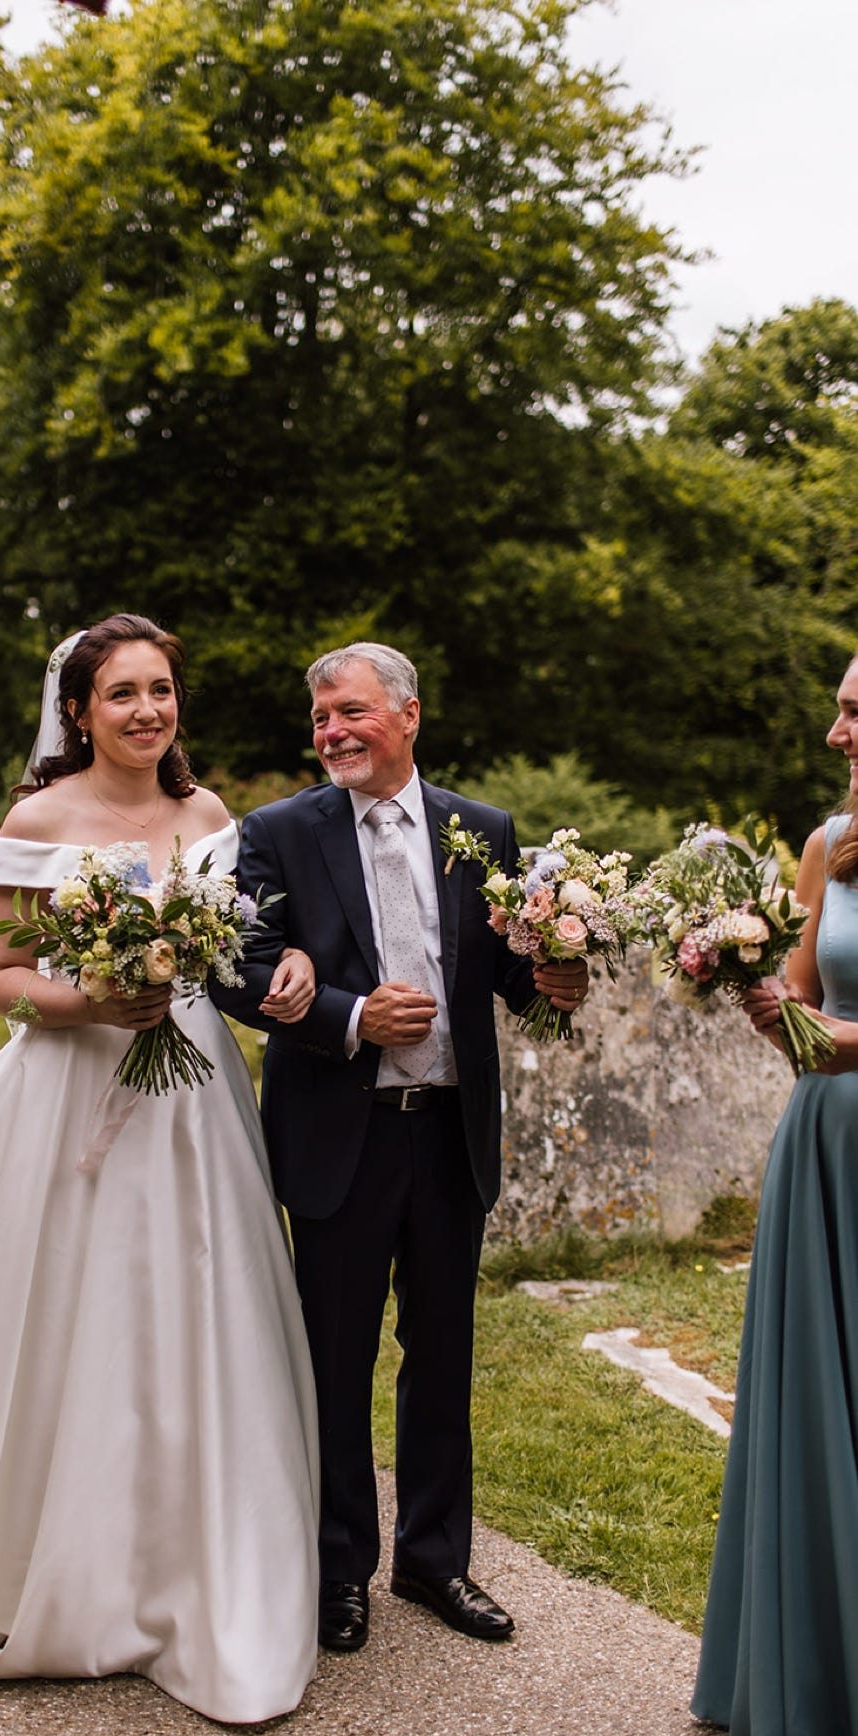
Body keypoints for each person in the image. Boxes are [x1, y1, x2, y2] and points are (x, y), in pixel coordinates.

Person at [0, 614, 321, 1724]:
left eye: (160, 690)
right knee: (78, 1308)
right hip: (72, 1094)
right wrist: (91, 1001)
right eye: (121, 693)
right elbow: (1, 976)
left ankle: (192, 1568)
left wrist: (294, 960)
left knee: (196, 1307)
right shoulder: (38, 820)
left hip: (194, 1097)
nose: (147, 711)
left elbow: (246, 949)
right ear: (78, 712)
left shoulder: (207, 816)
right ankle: (63, 1568)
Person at [211, 642, 587, 1654]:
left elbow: (512, 968)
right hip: (344, 1135)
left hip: (450, 1133)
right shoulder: (278, 832)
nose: (332, 731)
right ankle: (339, 1569)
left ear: (409, 714)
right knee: (336, 1359)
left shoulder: (482, 829)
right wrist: (347, 1016)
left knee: (443, 1353)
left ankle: (433, 1558)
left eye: (352, 711)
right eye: (321, 717)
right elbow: (236, 966)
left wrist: (558, 979)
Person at [692, 651, 858, 1736]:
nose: (838, 733)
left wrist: (838, 1039)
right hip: (826, 1147)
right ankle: (815, 1685)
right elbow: (804, 997)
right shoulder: (827, 845)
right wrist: (762, 995)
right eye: (840, 710)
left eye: (856, 712)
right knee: (815, 1407)